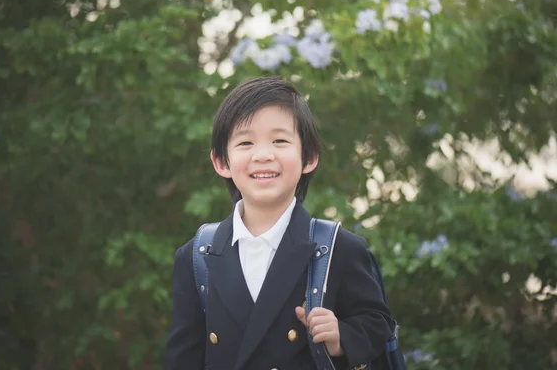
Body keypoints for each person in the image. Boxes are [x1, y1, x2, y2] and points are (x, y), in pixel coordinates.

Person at [165, 76, 393, 370]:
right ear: (221, 162)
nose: (263, 155)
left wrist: (341, 337)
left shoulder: (338, 248)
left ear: (309, 157)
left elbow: (377, 323)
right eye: (245, 142)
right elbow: (184, 358)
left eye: (280, 141)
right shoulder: (196, 257)